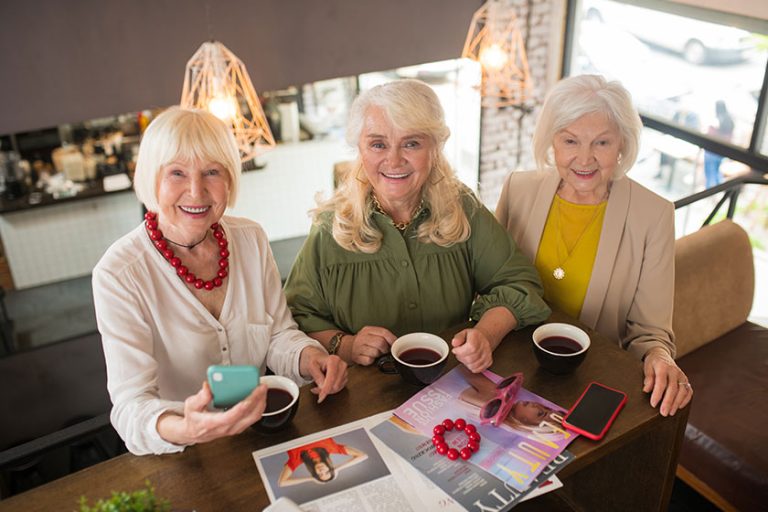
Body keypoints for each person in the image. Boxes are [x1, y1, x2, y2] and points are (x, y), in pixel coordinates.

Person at [92, 107, 348, 455]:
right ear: (151, 179)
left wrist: (309, 357)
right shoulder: (118, 275)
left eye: (212, 171)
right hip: (187, 453)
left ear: (230, 178)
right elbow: (130, 405)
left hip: (264, 432)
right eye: (177, 173)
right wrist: (185, 427)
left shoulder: (251, 239)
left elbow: (278, 334)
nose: (196, 192)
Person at [284, 79, 550, 373]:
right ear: (359, 149)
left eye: (411, 143)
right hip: (366, 393)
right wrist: (346, 346)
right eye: (378, 144)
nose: (394, 160)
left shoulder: (464, 209)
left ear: (435, 146)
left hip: (453, 381)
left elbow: (519, 283)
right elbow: (295, 319)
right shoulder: (329, 228)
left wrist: (486, 335)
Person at [495, 74, 692, 417]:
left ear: (622, 146)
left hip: (585, 381)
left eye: (602, 143)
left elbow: (651, 332)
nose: (584, 159)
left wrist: (660, 357)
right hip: (506, 366)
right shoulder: (518, 190)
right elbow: (490, 284)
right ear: (551, 141)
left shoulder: (654, 215)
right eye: (570, 141)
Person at [278, 438, 368, 486]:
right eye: (327, 471)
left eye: (320, 475)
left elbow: (282, 483)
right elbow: (363, 456)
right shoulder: (332, 449)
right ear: (330, 467)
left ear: (315, 473)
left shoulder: (297, 459)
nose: (322, 471)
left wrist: (312, 479)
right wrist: (336, 469)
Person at [703, 100, 734, 188]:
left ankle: (710, 192)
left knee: (710, 173)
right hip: (722, 152)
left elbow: (712, 134)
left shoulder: (718, 119)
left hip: (712, 150)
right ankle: (717, 190)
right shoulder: (729, 119)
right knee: (717, 172)